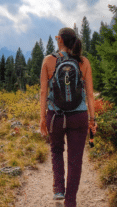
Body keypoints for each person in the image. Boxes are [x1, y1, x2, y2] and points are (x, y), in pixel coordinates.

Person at [40, 27, 97, 207]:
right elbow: (90, 94)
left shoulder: (49, 60)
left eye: (57, 37)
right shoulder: (83, 62)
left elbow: (43, 91)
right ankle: (70, 201)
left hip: (55, 116)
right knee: (75, 159)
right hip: (79, 116)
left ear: (60, 40)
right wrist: (92, 120)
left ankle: (58, 189)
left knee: (56, 150)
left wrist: (43, 118)